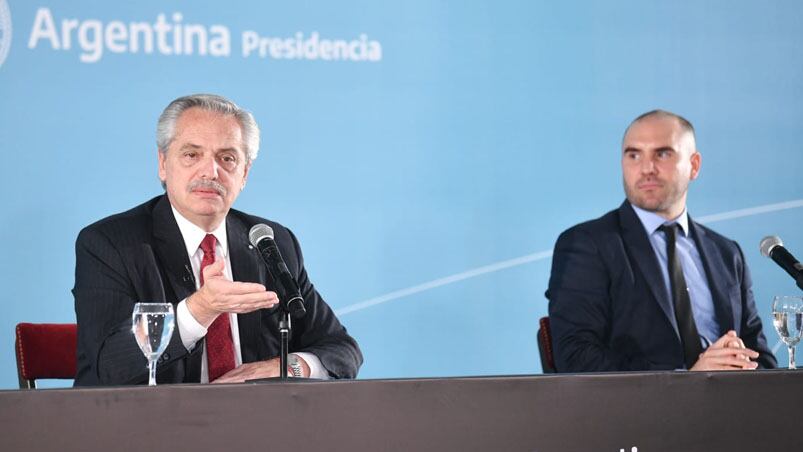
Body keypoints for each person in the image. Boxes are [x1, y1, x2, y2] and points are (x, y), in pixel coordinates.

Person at [73, 94, 362, 385]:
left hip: (253, 424)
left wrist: (289, 366)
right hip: (150, 425)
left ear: (245, 173)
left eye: (227, 158)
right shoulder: (109, 244)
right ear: (163, 163)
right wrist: (199, 309)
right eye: (191, 155)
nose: (210, 172)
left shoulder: (271, 243)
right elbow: (110, 364)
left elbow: (341, 350)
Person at [546, 110, 776, 372]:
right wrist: (688, 379)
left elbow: (762, 358)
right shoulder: (587, 245)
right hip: (642, 411)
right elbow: (576, 357)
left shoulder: (726, 253)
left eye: (662, 154)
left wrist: (745, 368)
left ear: (694, 165)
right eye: (634, 155)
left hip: (734, 406)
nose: (646, 169)